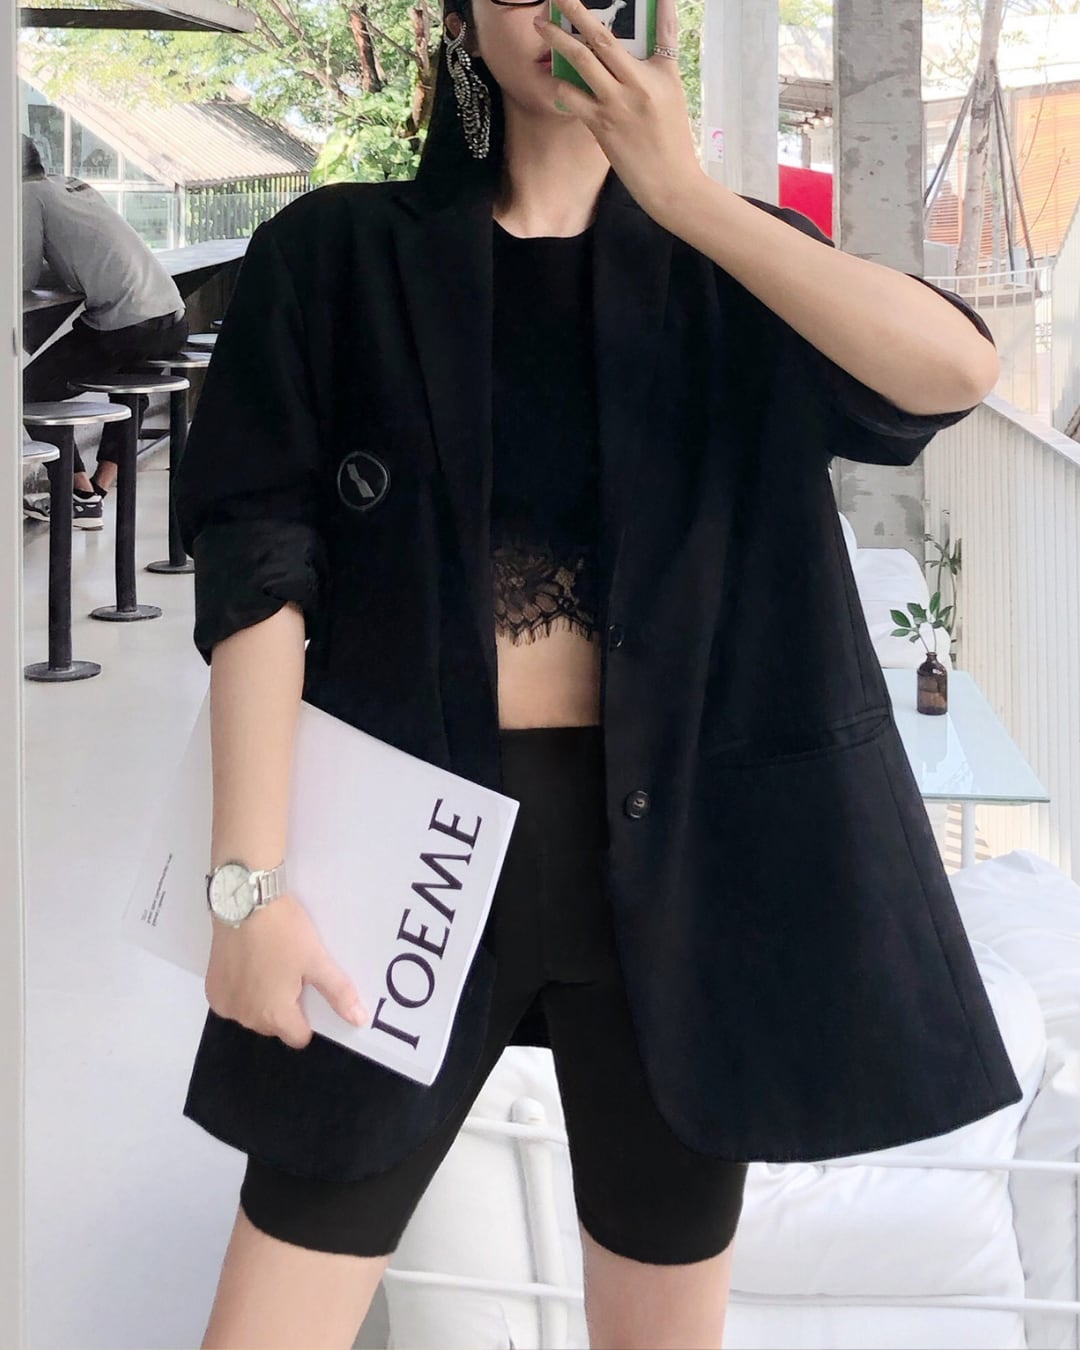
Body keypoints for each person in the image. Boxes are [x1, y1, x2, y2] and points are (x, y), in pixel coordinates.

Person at [171, 0, 1011, 1345]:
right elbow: (255, 580)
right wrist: (247, 886)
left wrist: (687, 197)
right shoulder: (334, 257)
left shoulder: (725, 261)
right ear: (461, 17)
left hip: (671, 865)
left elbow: (953, 372)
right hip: (405, 851)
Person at [20, 133, 188, 530]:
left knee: (25, 390)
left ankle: (77, 494)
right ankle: (97, 489)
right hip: (172, 318)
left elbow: (21, 276)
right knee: (130, 391)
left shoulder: (26, 195)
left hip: (128, 326)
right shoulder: (69, 185)